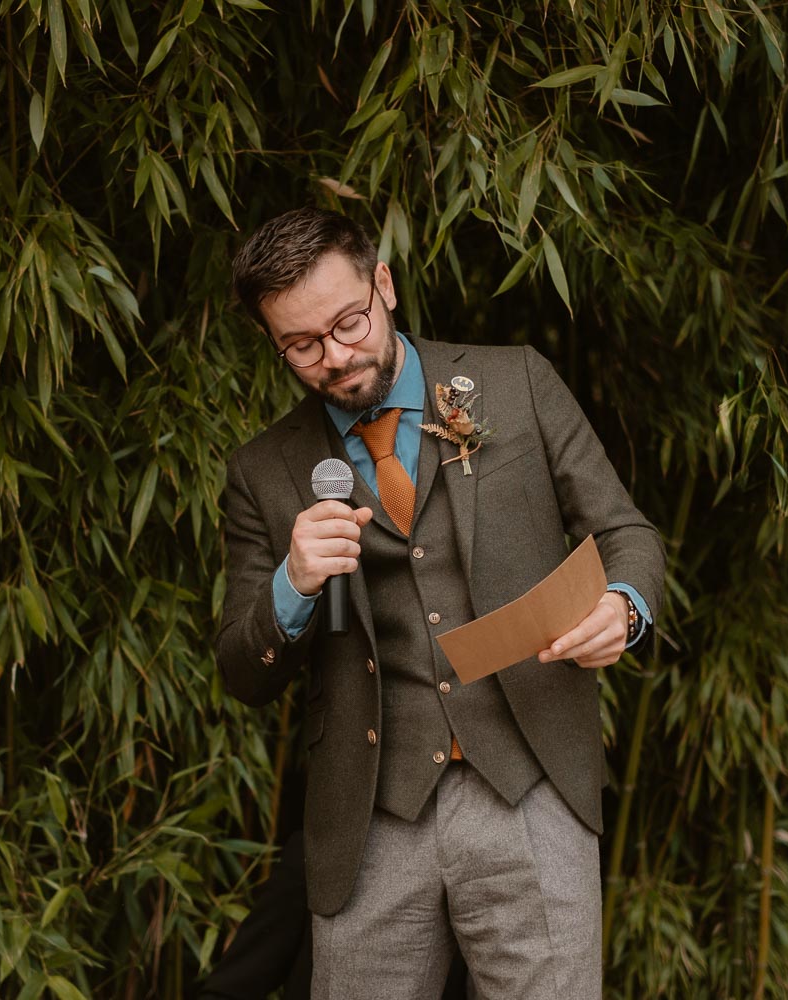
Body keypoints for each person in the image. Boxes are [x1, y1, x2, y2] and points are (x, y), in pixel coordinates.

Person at [215, 208, 665, 998]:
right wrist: (292, 585)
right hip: (370, 816)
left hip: (530, 782)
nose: (336, 357)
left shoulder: (516, 380)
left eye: (349, 323)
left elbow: (625, 532)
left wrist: (623, 608)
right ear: (274, 343)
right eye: (302, 346)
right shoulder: (263, 470)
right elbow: (240, 671)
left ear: (383, 283)